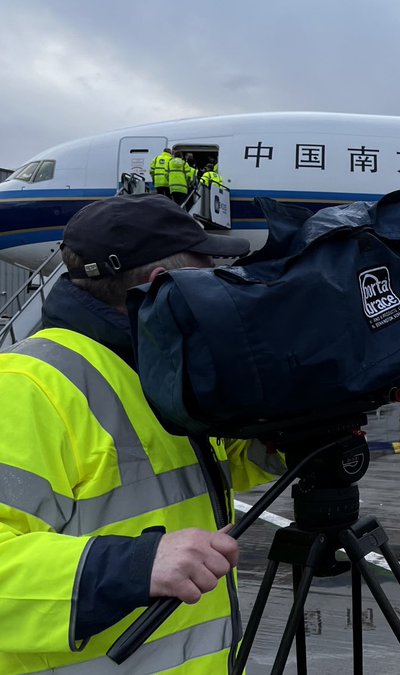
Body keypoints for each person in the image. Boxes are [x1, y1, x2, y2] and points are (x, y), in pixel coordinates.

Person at [0, 193, 282, 672]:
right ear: (162, 285)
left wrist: (293, 432)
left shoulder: (147, 366)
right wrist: (134, 566)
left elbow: (185, 474)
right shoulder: (26, 387)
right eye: (209, 273)